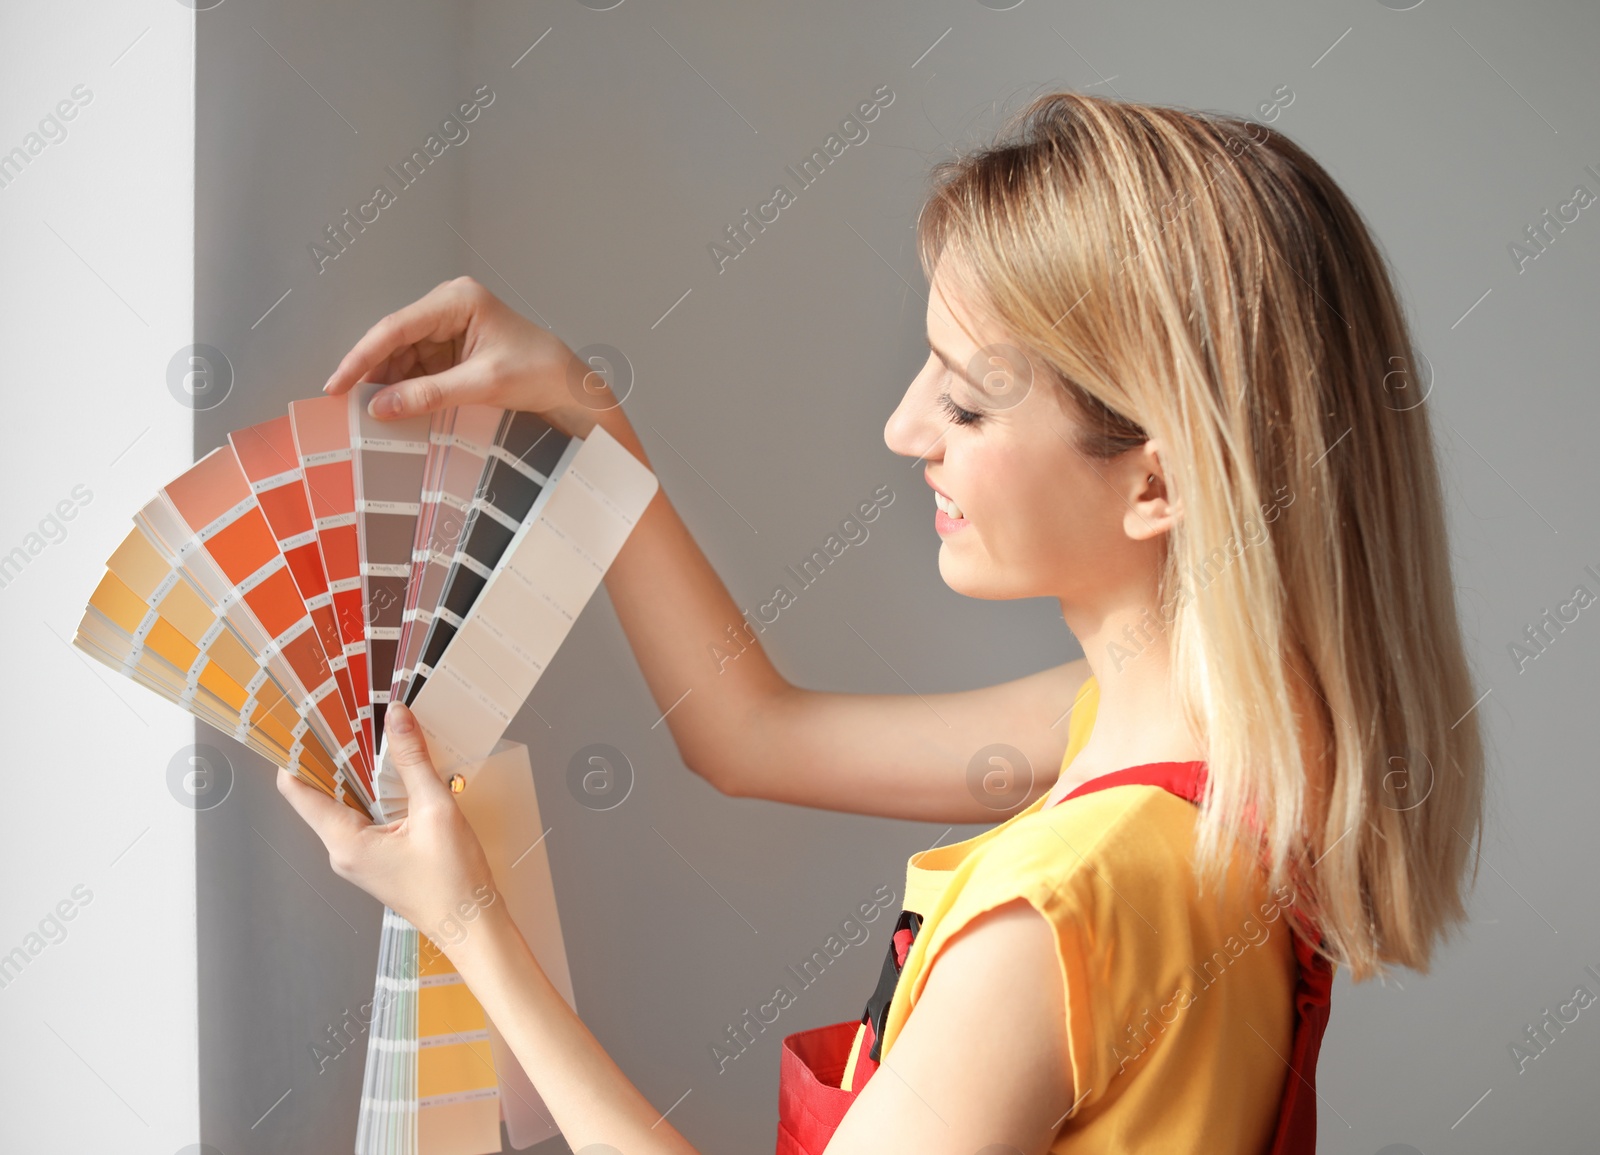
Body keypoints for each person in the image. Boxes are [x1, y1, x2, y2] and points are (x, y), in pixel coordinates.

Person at [280, 91, 1486, 1154]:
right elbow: (748, 733)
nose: (905, 430)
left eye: (964, 401)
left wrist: (469, 924)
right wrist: (582, 411)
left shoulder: (1058, 910)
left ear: (1158, 485)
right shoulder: (1223, 756)